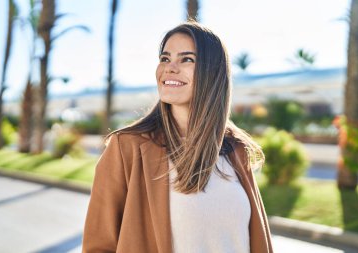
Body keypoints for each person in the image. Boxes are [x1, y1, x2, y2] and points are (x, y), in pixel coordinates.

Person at [82, 21, 273, 253]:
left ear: (212, 72)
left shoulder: (235, 150)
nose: (169, 68)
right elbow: (99, 246)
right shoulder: (127, 147)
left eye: (186, 59)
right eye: (165, 58)